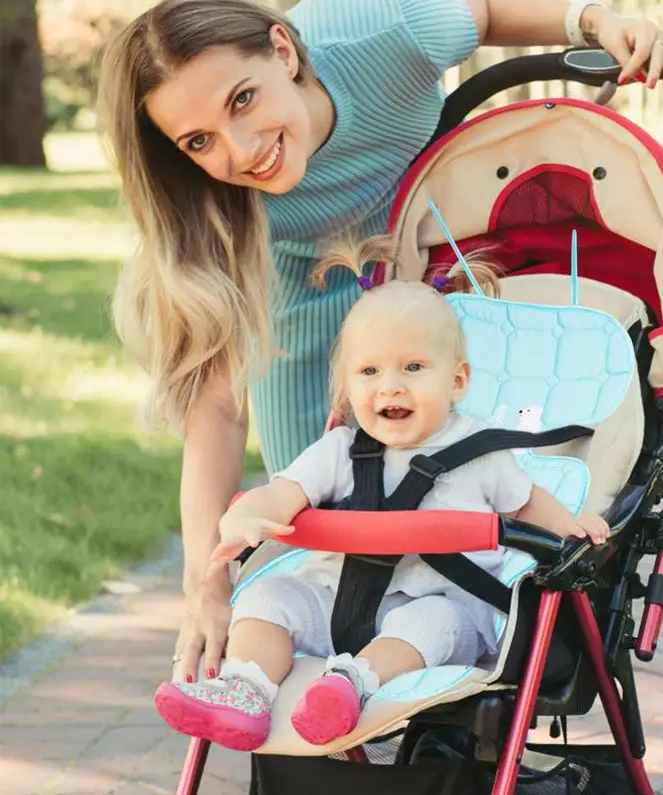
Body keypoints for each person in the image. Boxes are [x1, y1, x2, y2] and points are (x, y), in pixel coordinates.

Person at [95, 0, 663, 694]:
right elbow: (218, 410)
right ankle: (336, 726)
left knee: (459, 487)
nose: (239, 150)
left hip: (433, 250)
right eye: (198, 141)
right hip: (299, 289)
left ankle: (447, 707)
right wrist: (204, 584)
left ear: (284, 53)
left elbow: (487, 6)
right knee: (325, 540)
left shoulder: (385, 32)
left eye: (243, 100)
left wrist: (595, 23)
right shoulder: (210, 206)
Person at [152, 240, 610, 752]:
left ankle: (350, 686)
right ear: (348, 387)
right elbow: (286, 492)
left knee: (431, 623)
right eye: (369, 372)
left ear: (457, 380)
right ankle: (246, 689)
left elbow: (525, 505)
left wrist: (569, 527)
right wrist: (251, 514)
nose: (389, 387)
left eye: (413, 368)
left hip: (436, 602)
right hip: (339, 599)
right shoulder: (339, 449)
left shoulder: (480, 453)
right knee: (266, 597)